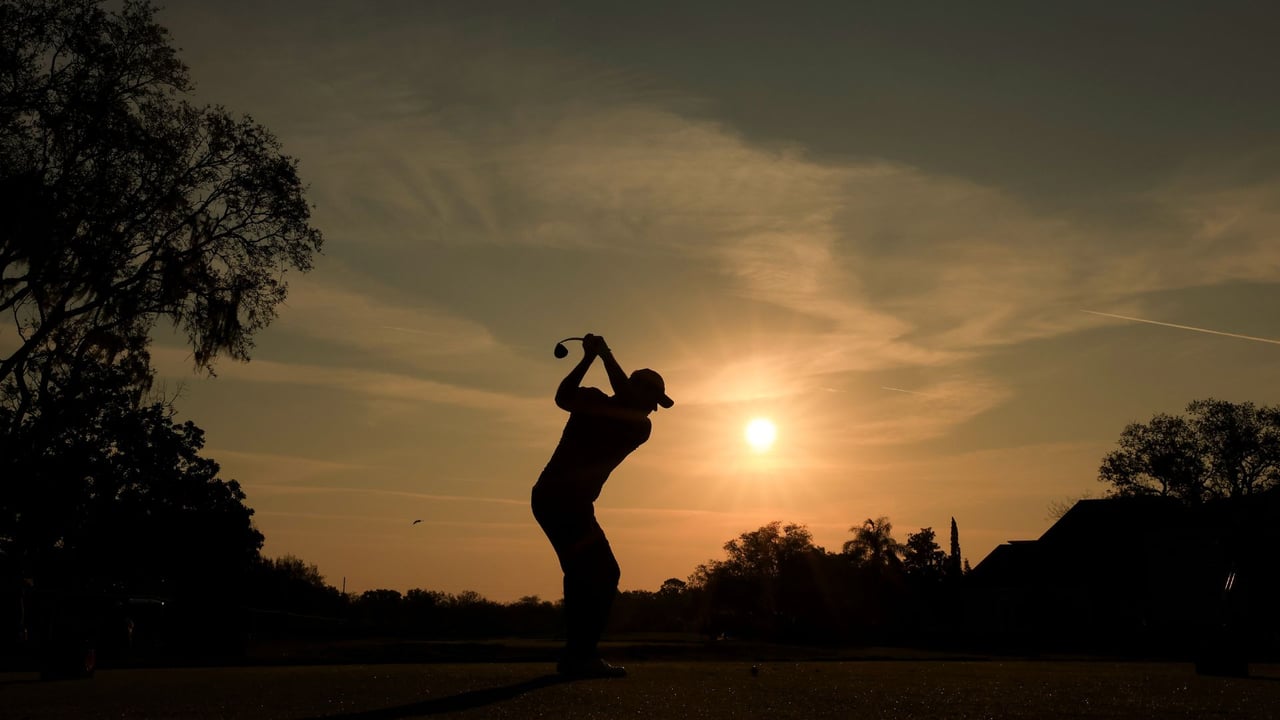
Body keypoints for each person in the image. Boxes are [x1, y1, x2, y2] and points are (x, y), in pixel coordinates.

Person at [531, 333, 673, 678]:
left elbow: (622, 398)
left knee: (588, 573)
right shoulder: (598, 403)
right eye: (652, 398)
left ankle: (576, 656)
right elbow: (563, 397)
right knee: (601, 573)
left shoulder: (639, 426)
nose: (654, 408)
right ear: (639, 392)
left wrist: (602, 355)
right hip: (562, 501)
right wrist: (590, 358)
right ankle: (580, 656)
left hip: (562, 501)